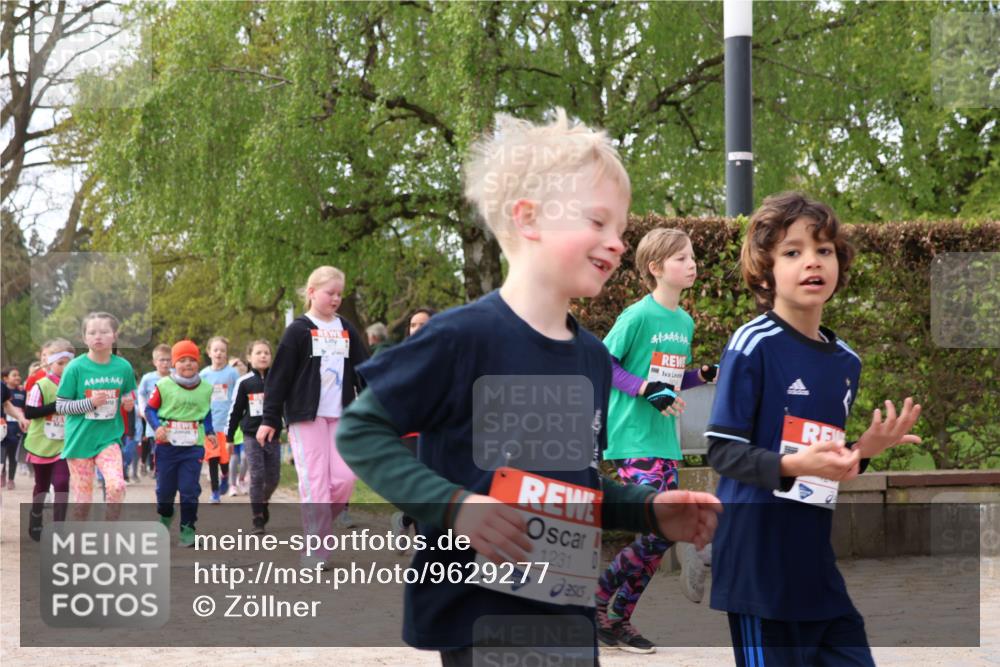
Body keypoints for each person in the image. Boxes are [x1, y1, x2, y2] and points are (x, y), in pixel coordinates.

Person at [337, 109, 721, 664]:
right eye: (597, 222)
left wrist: (650, 509)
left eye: (620, 227)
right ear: (528, 218)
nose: (616, 243)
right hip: (478, 618)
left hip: (566, 614)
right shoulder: (461, 338)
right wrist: (453, 505)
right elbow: (361, 430)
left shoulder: (591, 358)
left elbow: (574, 488)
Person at [705, 192, 922, 667]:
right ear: (765, 271)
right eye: (793, 251)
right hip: (757, 567)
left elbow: (826, 462)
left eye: (824, 249)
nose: (812, 262)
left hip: (815, 567)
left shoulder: (847, 361)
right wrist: (791, 465)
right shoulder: (752, 343)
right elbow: (722, 451)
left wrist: (864, 449)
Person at [594, 227, 718, 652]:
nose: (692, 264)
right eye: (682, 258)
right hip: (631, 437)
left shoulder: (683, 321)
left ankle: (617, 621)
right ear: (656, 268)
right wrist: (645, 389)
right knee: (659, 528)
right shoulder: (637, 316)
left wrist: (699, 376)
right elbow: (603, 364)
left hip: (665, 441)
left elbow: (666, 381)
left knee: (662, 533)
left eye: (692, 257)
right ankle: (595, 604)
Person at [258, 265, 369, 567]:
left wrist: (379, 404)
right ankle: (315, 550)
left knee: (345, 479)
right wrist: (269, 419)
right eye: (329, 293)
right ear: (311, 292)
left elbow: (364, 370)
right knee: (316, 483)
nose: (336, 299)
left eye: (339, 294)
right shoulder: (298, 330)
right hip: (306, 417)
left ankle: (320, 527)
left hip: (341, 416)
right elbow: (279, 379)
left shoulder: (345, 328)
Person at [55, 312, 136, 520]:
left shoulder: (123, 367)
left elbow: (129, 394)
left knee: (117, 486)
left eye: (104, 332)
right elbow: (61, 406)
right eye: (92, 332)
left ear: (114, 335)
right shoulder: (75, 367)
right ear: (84, 338)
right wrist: (89, 403)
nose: (98, 337)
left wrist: (129, 403)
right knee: (83, 500)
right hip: (80, 440)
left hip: (108, 438)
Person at [145, 340, 215, 547]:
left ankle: (188, 528)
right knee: (165, 491)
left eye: (192, 360)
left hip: (193, 446)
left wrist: (210, 430)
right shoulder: (163, 385)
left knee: (189, 489)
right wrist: (157, 427)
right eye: (182, 360)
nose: (188, 364)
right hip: (167, 445)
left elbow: (206, 411)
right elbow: (150, 409)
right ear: (174, 364)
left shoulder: (206, 388)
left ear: (198, 363)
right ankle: (165, 516)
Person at [389, 307, 439, 549]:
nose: (417, 329)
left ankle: (404, 518)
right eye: (413, 325)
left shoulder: (447, 354)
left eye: (423, 324)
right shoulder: (401, 357)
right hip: (410, 431)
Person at [22, 339, 74, 540]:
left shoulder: (76, 383)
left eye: (68, 363)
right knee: (41, 486)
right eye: (60, 363)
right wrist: (57, 406)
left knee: (61, 483)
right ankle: (36, 516)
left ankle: (59, 529)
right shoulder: (41, 385)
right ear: (50, 364)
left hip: (65, 443)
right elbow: (30, 412)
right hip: (42, 443)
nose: (64, 367)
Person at [227, 340, 278, 535]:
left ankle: (263, 500)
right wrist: (230, 437)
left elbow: (286, 406)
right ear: (249, 357)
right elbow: (235, 411)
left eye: (266, 353)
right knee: (257, 474)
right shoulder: (245, 382)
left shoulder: (277, 380)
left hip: (273, 435)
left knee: (273, 478)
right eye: (258, 353)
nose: (263, 356)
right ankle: (257, 517)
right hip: (251, 436)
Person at [200, 336, 240, 502]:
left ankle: (225, 475)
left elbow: (239, 395)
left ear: (226, 354)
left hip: (227, 423)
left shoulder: (232, 373)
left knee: (224, 459)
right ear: (209, 352)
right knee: (212, 459)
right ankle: (215, 492)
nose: (219, 353)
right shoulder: (204, 374)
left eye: (222, 351)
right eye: (215, 350)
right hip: (210, 424)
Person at [137, 344, 172, 478]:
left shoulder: (175, 376)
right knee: (157, 449)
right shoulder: (148, 378)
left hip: (172, 421)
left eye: (168, 360)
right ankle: (160, 472)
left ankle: (166, 472)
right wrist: (142, 409)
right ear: (154, 362)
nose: (165, 363)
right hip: (154, 421)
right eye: (162, 360)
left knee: (171, 448)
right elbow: (141, 394)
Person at [1, 367, 26, 488]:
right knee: (2, 455)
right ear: (5, 378)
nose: (17, 377)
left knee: (13, 456)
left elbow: (8, 405)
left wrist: (22, 419)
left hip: (14, 429)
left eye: (18, 375)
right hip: (4, 430)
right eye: (14, 375)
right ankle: (3, 474)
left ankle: (11, 479)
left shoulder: (21, 392)